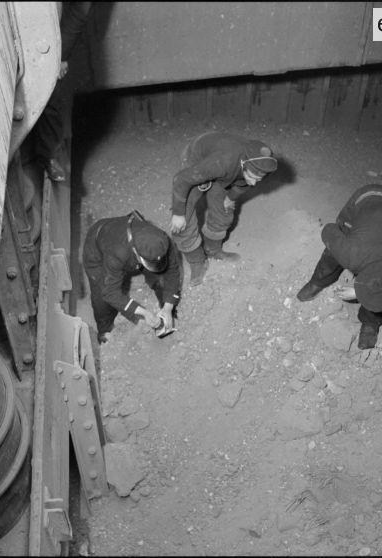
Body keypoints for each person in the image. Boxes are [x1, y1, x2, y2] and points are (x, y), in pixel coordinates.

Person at [296, 184, 382, 350]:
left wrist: (358, 291)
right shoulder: (351, 253)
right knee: (335, 249)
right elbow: (329, 230)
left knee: (380, 297)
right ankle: (318, 281)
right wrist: (342, 239)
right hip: (367, 196)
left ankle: (370, 322)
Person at [170, 131, 278, 286]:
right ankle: (197, 262)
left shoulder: (253, 163)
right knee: (183, 221)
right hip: (198, 158)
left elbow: (243, 183)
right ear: (243, 165)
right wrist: (178, 213)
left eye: (259, 179)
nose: (254, 184)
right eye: (253, 177)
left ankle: (212, 250)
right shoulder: (222, 163)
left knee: (224, 209)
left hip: (223, 167)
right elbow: (181, 180)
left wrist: (231, 197)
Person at [83, 210, 182, 344]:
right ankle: (105, 330)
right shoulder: (118, 252)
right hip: (97, 248)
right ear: (136, 253)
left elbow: (173, 271)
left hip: (129, 239)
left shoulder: (162, 240)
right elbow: (110, 293)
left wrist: (168, 307)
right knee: (101, 294)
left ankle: (164, 307)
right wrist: (143, 313)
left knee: (161, 274)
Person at [33, 2, 92, 182]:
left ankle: (48, 154)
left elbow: (79, 12)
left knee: (51, 84)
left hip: (51, 26)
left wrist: (61, 55)